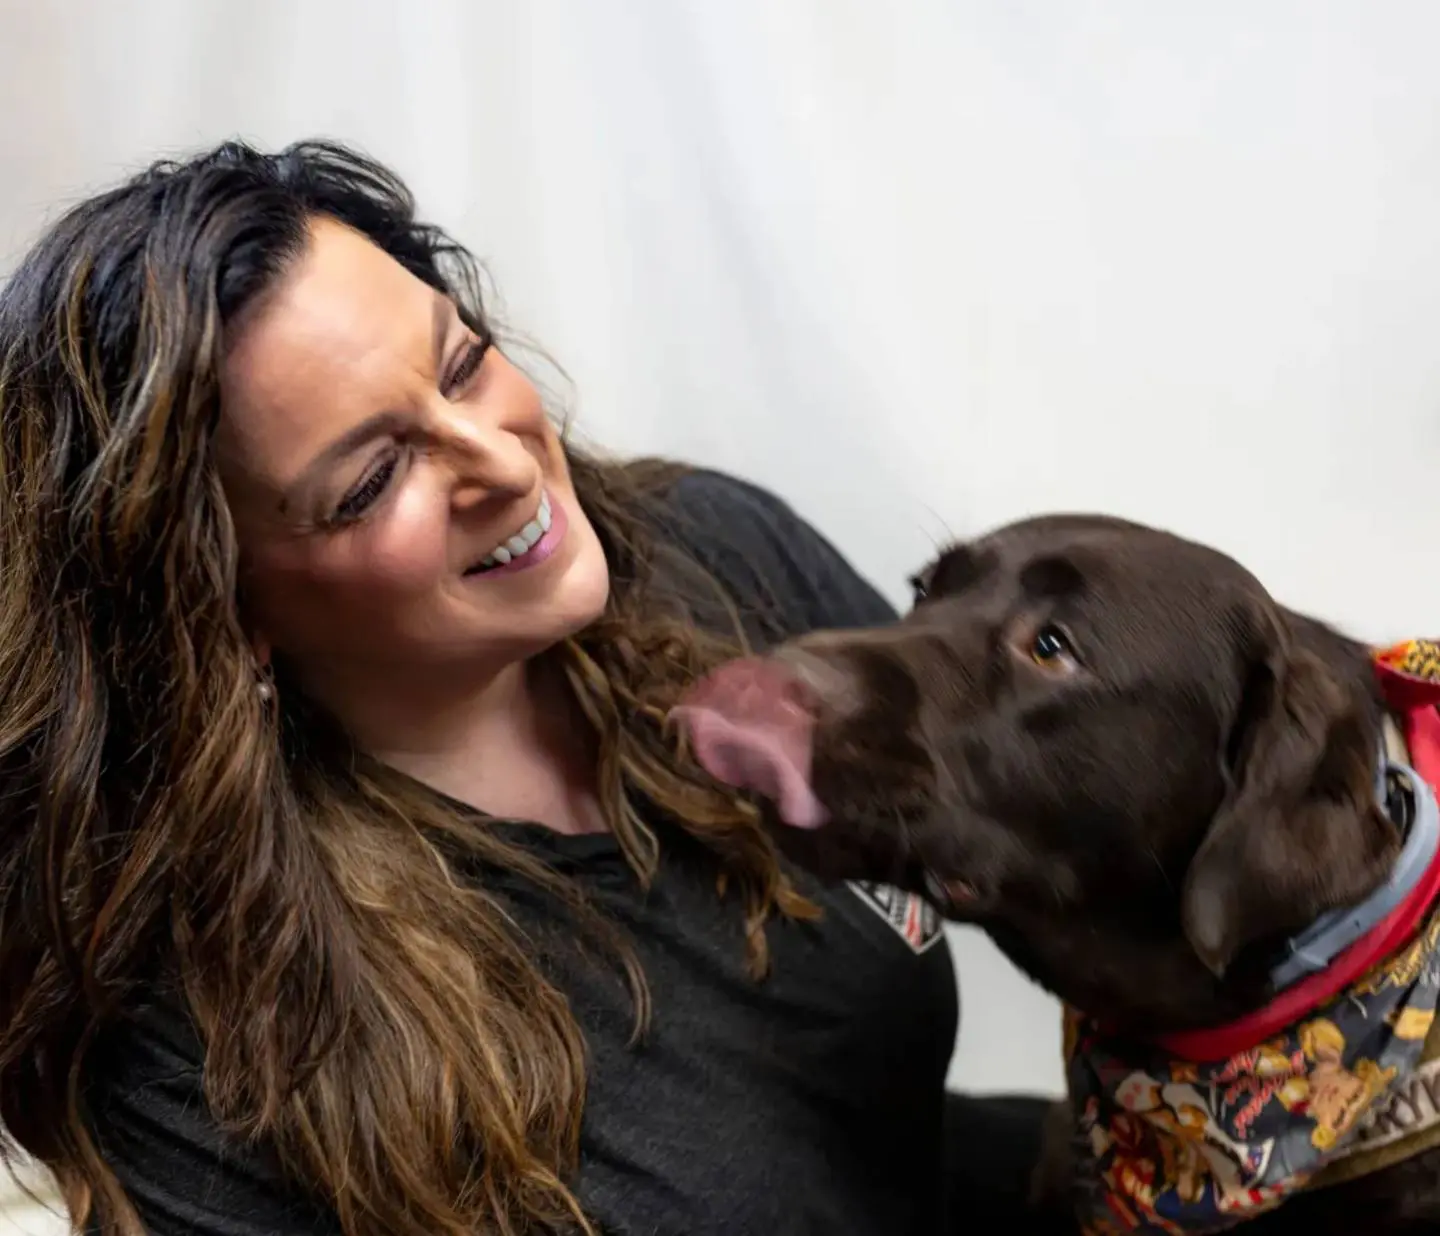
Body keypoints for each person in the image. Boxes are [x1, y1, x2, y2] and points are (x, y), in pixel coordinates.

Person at [0, 139, 1047, 1236]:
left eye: (461, 365)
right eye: (372, 479)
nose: (501, 462)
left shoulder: (720, 559)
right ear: (221, 609)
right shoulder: (198, 1044)